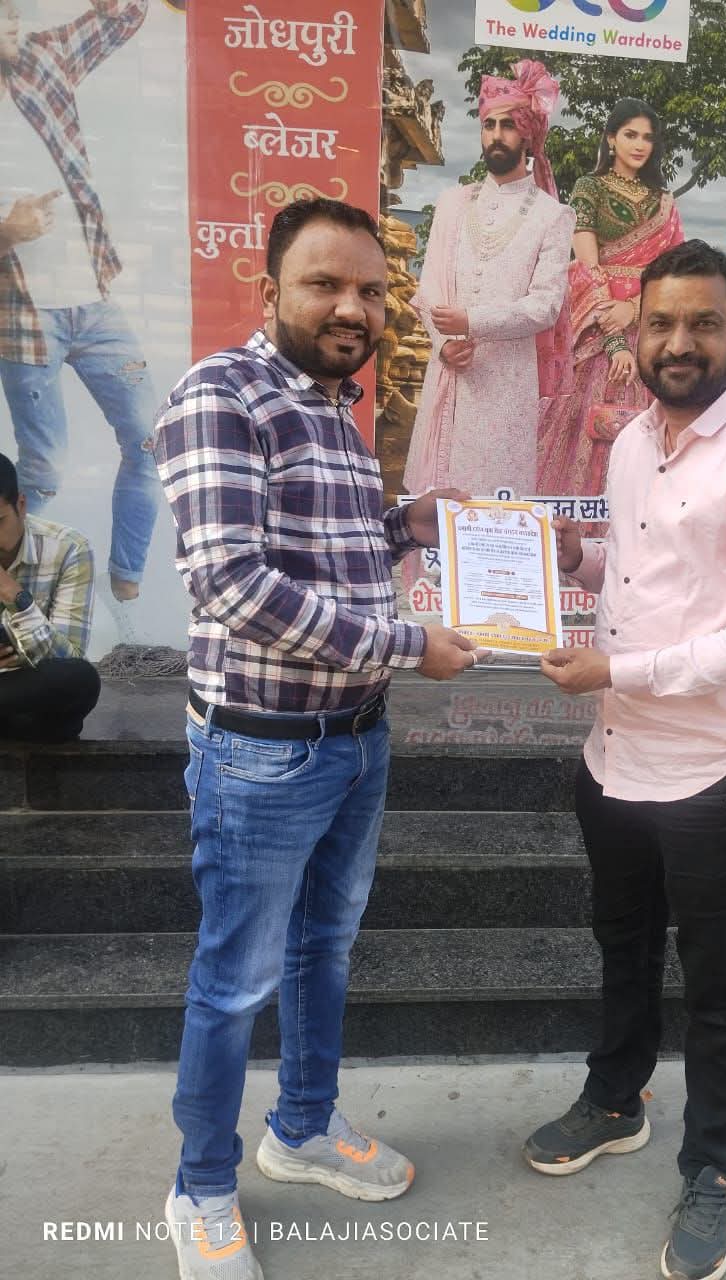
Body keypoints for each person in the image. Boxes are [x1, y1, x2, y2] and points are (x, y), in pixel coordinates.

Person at [153, 197, 483, 1280]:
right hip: (261, 748)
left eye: (372, 291)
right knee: (235, 979)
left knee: (322, 950)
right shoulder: (222, 394)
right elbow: (234, 585)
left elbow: (327, 547)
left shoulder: (336, 408)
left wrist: (408, 522)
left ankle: (300, 1127)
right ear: (270, 291)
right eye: (325, 284)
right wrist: (407, 644)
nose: (353, 308)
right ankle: (201, 1185)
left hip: (354, 737)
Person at [525, 241, 726, 1280]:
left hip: (710, 769)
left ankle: (713, 1165)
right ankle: (616, 1099)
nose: (678, 342)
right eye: (660, 322)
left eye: (703, 322)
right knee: (620, 947)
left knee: (714, 982)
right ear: (638, 331)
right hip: (614, 754)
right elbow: (645, 563)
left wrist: (617, 666)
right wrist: (576, 558)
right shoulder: (630, 442)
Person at [0, 0, 159, 628]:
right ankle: (11, 592)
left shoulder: (43, 58)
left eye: (13, 10)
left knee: (150, 441)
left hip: (93, 302)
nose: (12, 19)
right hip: (22, 319)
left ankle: (126, 588)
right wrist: (6, 232)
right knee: (44, 471)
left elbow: (124, 15)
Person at [403, 59, 575, 499]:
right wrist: (444, 345)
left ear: (528, 135)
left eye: (508, 125)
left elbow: (545, 306)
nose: (496, 135)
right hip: (450, 375)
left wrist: (471, 321)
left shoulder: (553, 216)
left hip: (506, 388)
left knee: (495, 504)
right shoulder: (453, 203)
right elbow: (429, 289)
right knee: (435, 509)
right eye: (489, 125)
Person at [536, 99, 684, 498]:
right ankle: (577, 526)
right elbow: (587, 269)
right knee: (586, 427)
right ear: (611, 139)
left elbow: (675, 274)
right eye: (630, 135)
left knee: (645, 432)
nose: (639, 145)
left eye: (647, 138)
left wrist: (634, 310)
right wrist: (616, 340)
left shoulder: (663, 202)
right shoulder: (590, 188)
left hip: (650, 328)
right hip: (598, 331)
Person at [0, 450, 99, 741]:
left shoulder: (69, 548)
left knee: (80, 679)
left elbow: (67, 659)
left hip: (28, 691)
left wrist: (16, 597)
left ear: (21, 505)